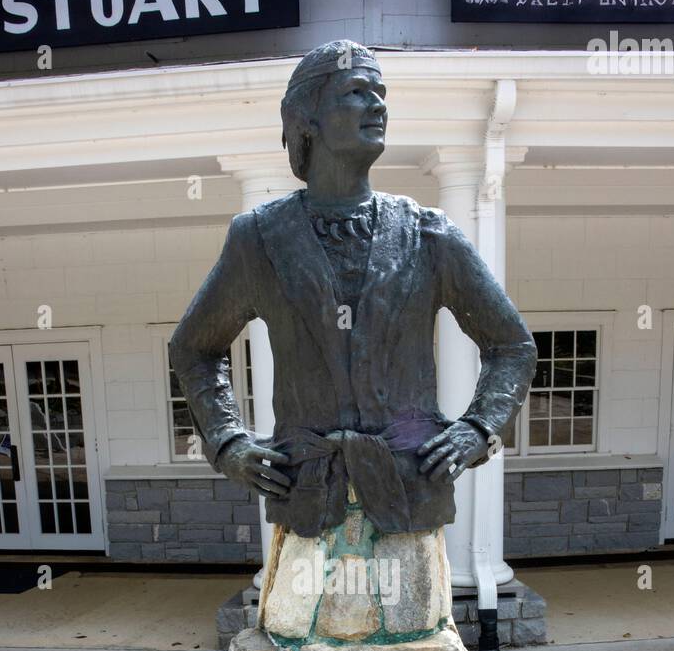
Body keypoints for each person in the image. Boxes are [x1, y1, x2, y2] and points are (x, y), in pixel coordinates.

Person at [170, 40, 536, 539]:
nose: (378, 104)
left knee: (417, 622)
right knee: (300, 620)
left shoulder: (429, 234)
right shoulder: (259, 238)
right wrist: (227, 441)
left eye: (381, 93)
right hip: (306, 497)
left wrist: (477, 429)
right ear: (308, 118)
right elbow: (194, 347)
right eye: (357, 91)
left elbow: (512, 345)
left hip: (409, 492)